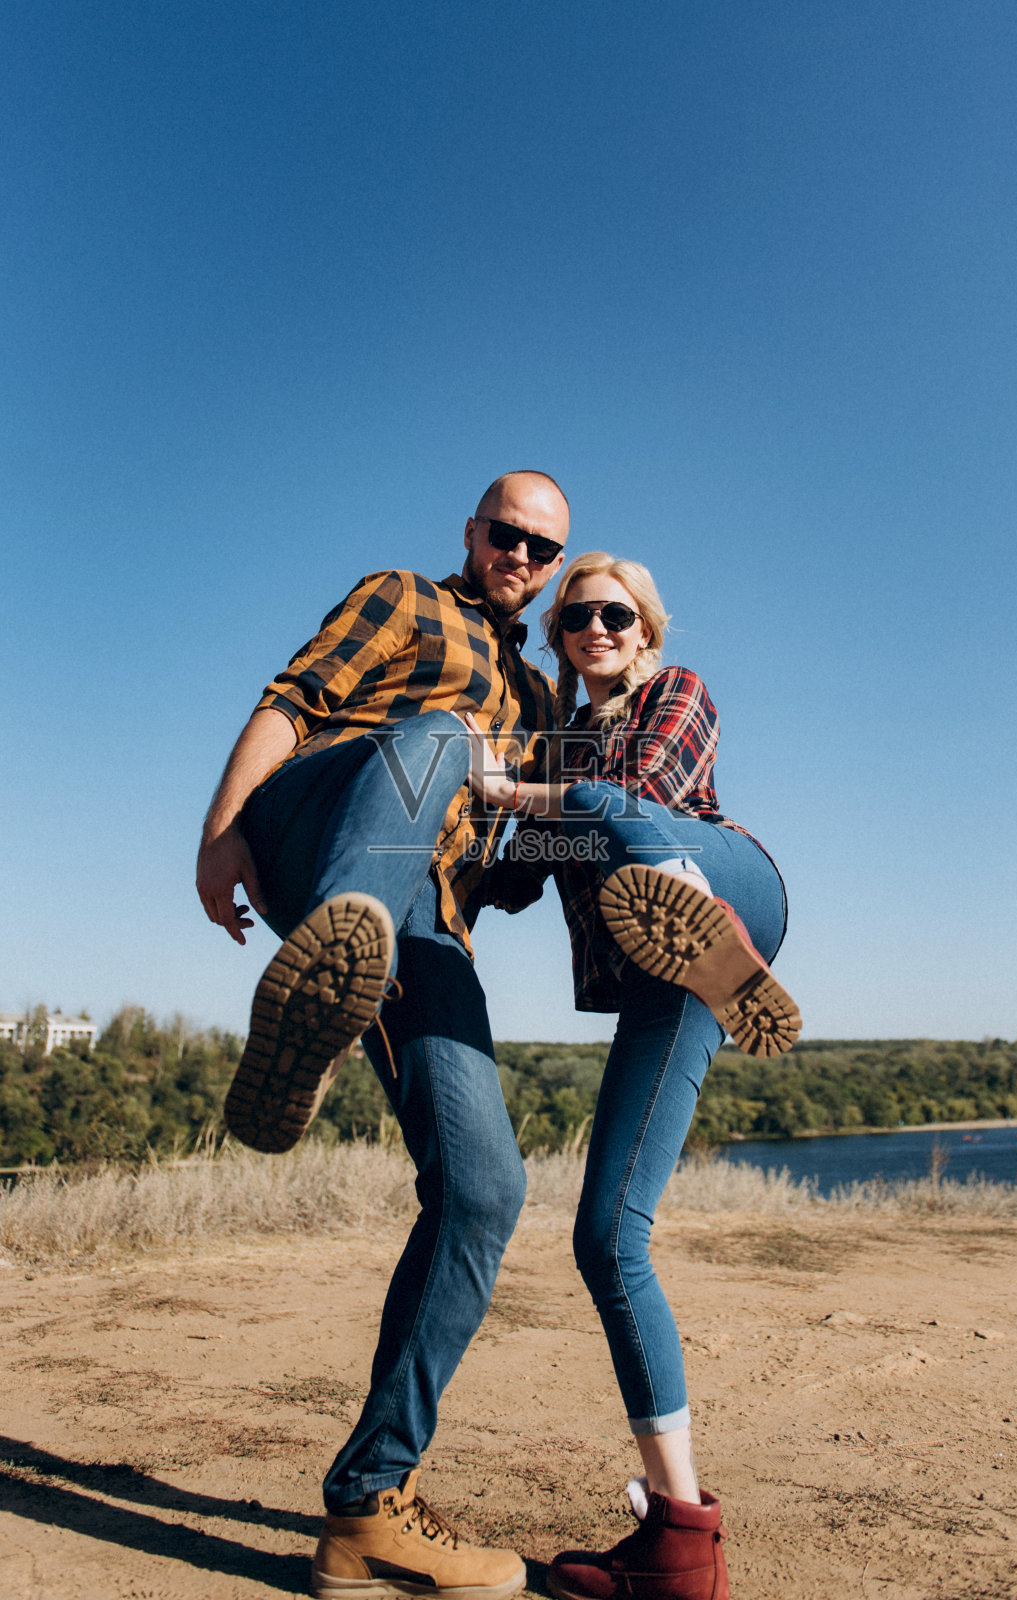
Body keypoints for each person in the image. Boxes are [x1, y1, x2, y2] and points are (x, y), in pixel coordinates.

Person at [195, 471, 571, 1600]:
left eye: (543, 549)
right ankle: (332, 956)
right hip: (321, 817)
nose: (521, 557)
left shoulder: (547, 706)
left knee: (485, 1189)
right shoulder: (408, 598)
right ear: (473, 533)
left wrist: (614, 827)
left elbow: (518, 880)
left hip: (425, 914)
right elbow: (290, 700)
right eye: (506, 534)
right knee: (444, 737)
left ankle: (367, 1507)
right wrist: (217, 840)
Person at [467, 551, 801, 1600]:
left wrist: (512, 788)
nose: (596, 629)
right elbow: (513, 877)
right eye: (577, 619)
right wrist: (429, 886)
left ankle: (703, 918)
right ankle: (680, 1539)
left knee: (618, 808)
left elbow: (639, 793)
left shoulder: (676, 693)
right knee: (607, 1234)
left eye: (615, 614)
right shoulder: (563, 739)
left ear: (646, 630)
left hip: (732, 882)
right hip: (669, 967)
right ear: (562, 639)